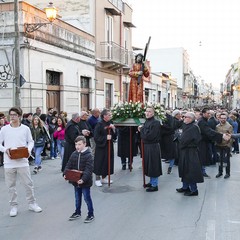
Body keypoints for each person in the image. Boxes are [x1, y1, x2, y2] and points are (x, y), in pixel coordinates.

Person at [0, 107, 42, 217]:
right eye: (11, 115)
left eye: (14, 114)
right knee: (11, 186)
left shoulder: (25, 129)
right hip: (9, 162)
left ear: (19, 116)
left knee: (28, 184)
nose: (12, 116)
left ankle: (32, 203)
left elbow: (31, 141)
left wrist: (28, 150)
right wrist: (5, 150)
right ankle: (13, 206)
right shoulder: (4, 129)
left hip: (23, 161)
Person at [63, 136, 94, 223]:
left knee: (87, 198)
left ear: (85, 144)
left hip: (85, 182)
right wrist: (65, 174)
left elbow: (89, 169)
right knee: (77, 198)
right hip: (75, 181)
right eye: (76, 144)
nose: (77, 146)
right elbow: (68, 165)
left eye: (79, 144)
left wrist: (83, 179)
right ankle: (77, 212)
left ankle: (91, 214)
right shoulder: (74, 154)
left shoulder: (89, 155)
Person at [176, 112, 203, 196]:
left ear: (191, 119)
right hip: (185, 151)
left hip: (190, 152)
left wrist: (179, 137)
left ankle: (194, 189)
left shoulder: (193, 127)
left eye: (186, 117)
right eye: (184, 117)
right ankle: (185, 186)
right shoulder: (187, 125)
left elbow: (184, 140)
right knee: (184, 169)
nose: (184, 118)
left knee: (190, 170)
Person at [138, 106, 162, 192]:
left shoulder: (156, 123)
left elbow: (150, 136)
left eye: (149, 112)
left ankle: (155, 184)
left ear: (153, 113)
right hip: (147, 146)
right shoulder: (146, 122)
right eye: (146, 111)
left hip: (153, 146)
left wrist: (142, 130)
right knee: (148, 164)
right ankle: (151, 182)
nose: (147, 113)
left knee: (153, 164)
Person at [93, 109, 117, 187]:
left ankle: (104, 178)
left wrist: (113, 129)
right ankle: (97, 179)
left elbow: (114, 136)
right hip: (101, 147)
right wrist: (105, 137)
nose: (110, 116)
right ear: (104, 116)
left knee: (107, 162)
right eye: (109, 115)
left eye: (110, 115)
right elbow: (96, 137)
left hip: (109, 146)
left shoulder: (110, 123)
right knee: (100, 162)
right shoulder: (99, 124)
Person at [215, 113, 233, 179]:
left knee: (226, 160)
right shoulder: (217, 126)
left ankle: (227, 173)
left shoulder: (229, 126)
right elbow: (216, 135)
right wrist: (216, 143)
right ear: (219, 118)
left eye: (224, 118)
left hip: (226, 145)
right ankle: (220, 172)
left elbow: (231, 137)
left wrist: (228, 145)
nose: (223, 119)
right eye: (222, 118)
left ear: (226, 118)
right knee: (220, 160)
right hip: (219, 145)